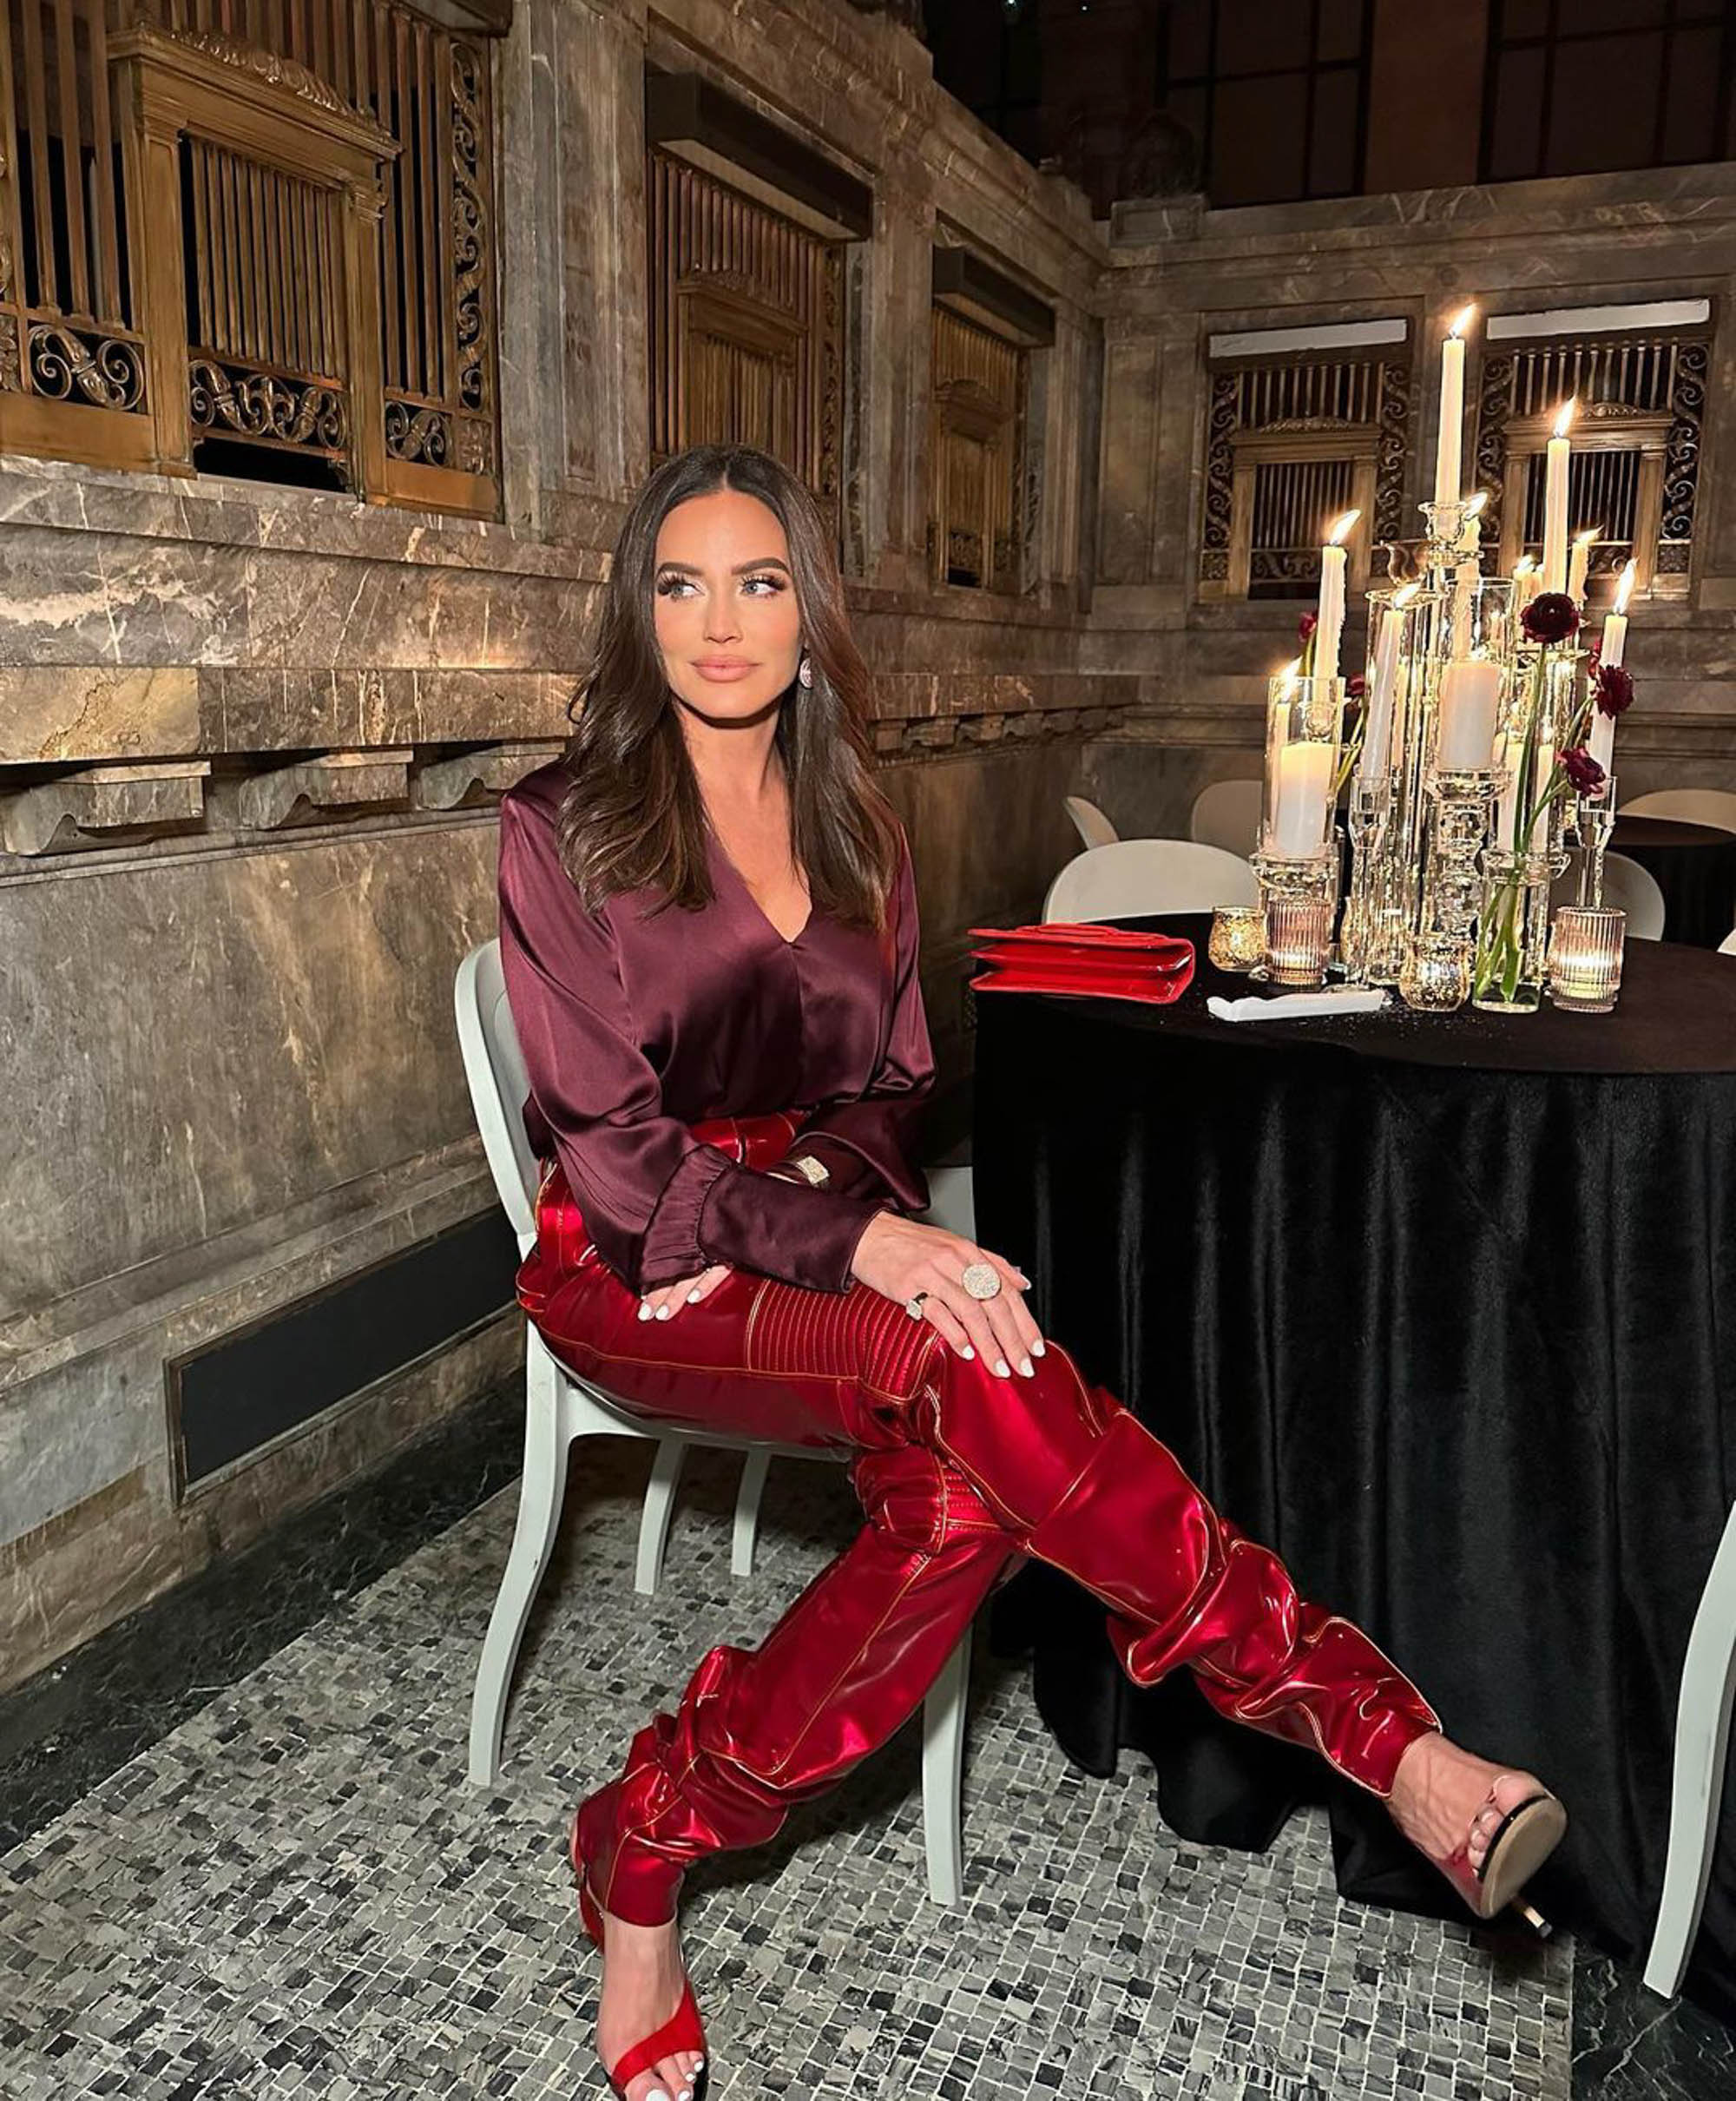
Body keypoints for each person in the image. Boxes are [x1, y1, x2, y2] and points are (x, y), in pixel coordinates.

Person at [496, 444, 1566, 2101]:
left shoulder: (858, 828)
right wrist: (852, 1240)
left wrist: (847, 1208)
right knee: (966, 1367)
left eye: (759, 581)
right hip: (634, 1268)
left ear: (808, 610)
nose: (721, 624)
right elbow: (630, 1174)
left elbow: (888, 1088)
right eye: (681, 584)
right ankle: (1379, 1736)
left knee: (968, 1483)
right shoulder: (557, 831)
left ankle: (645, 1841)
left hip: (802, 1228)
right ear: (638, 613)